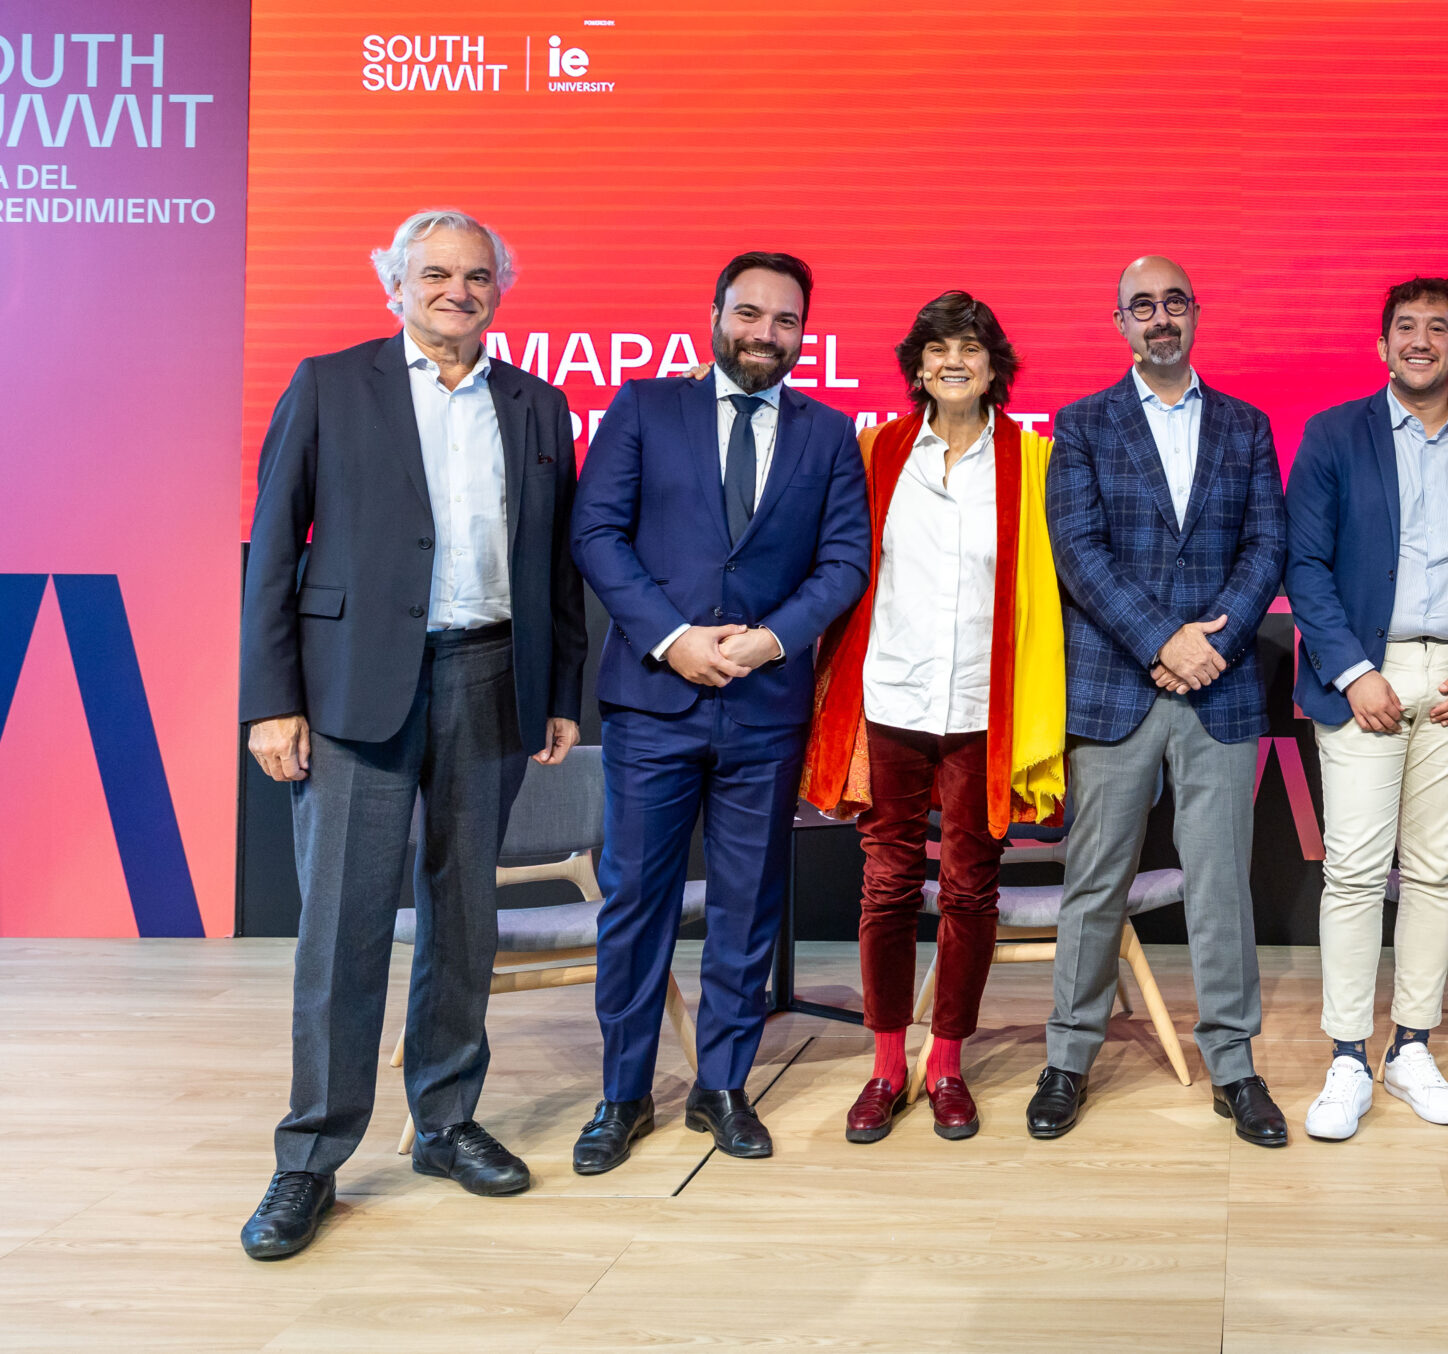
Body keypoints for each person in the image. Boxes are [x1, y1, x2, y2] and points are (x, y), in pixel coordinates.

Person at [237, 208, 586, 1259]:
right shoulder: (330, 384)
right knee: (341, 927)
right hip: (351, 690)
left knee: (463, 915)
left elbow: (553, 561)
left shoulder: (537, 404)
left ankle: (444, 1121)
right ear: (394, 282)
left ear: (499, 290)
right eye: (435, 273)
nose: (456, 291)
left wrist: (560, 688)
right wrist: (269, 699)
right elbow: (271, 548)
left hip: (489, 677)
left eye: (476, 276)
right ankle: (310, 1156)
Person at [567, 252, 869, 1173]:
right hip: (655, 700)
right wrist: (675, 638)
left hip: (766, 705)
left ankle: (723, 1086)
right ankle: (622, 1095)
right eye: (749, 314)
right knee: (635, 904)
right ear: (714, 315)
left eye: (785, 321)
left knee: (747, 907)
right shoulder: (645, 408)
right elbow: (596, 534)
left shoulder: (828, 434)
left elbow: (845, 562)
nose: (764, 335)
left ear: (804, 333)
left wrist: (771, 640)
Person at [1032, 255, 1289, 1146]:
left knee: (1222, 887)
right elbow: (1078, 550)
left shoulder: (1247, 426)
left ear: (1196, 313)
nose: (1160, 319)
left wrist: (1210, 645)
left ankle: (1235, 1067)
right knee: (1095, 883)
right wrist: (1163, 641)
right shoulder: (1084, 424)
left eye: (1173, 302)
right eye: (1141, 307)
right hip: (1116, 685)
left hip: (1217, 690)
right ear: (1120, 324)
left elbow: (1268, 543)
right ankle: (1068, 1060)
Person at [800, 292, 1067, 1144]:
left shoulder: (1035, 461)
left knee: (968, 889)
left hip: (985, 708)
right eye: (939, 348)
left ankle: (946, 1063)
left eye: (972, 348)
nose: (955, 361)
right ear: (918, 366)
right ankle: (885, 1066)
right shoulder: (873, 452)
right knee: (884, 887)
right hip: (889, 702)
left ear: (996, 368)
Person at [1284, 276, 1448, 1141]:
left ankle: (1411, 1044)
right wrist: (1352, 670)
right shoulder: (1332, 435)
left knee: (1433, 872)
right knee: (1353, 870)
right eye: (1404, 328)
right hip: (1366, 677)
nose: (1420, 341)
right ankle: (1348, 1054)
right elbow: (1304, 565)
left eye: (1438, 329)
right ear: (1380, 346)